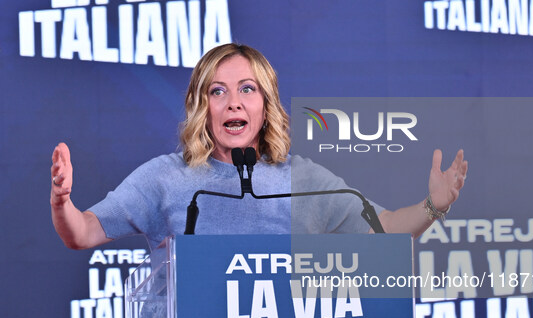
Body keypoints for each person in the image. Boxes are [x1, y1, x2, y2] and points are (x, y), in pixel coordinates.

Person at [50, 43, 467, 251]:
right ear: (202, 106)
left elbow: (387, 228)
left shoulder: (303, 180)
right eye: (218, 91)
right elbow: (83, 232)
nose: (233, 101)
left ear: (265, 107)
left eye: (247, 89)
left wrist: (434, 206)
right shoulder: (166, 178)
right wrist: (62, 202)